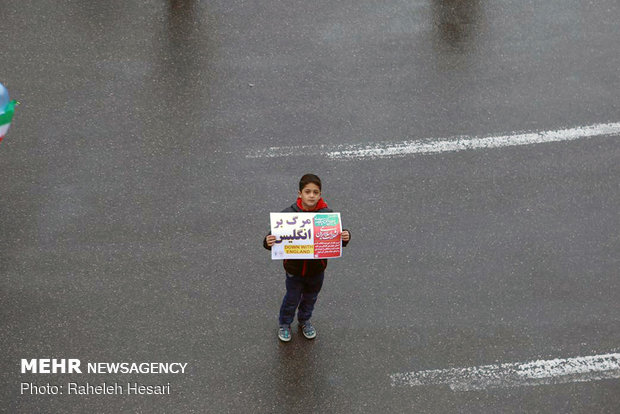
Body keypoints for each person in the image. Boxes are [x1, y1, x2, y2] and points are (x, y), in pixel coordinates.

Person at [263, 174, 351, 342]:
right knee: (291, 298)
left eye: (315, 192)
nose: (311, 195)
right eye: (307, 191)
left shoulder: (327, 215)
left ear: (320, 194)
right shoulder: (288, 215)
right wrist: (268, 242)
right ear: (300, 193)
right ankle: (284, 323)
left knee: (311, 298)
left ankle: (305, 321)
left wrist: (346, 236)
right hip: (294, 270)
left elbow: (337, 235)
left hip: (317, 269)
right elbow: (273, 237)